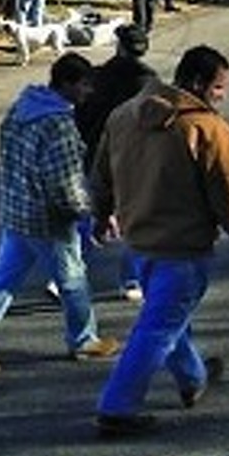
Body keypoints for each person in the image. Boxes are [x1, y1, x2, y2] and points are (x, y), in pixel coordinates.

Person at [90, 44, 229, 436]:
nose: (223, 95)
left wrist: (102, 215)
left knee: (166, 318)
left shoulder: (124, 116)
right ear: (199, 84)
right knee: (156, 330)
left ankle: (193, 378)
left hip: (139, 243)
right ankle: (116, 408)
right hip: (183, 248)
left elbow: (101, 173)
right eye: (219, 88)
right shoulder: (208, 129)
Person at [0, 52, 123, 376]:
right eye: (85, 87)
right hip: (49, 221)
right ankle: (84, 339)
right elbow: (64, 183)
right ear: (68, 84)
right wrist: (91, 213)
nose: (88, 94)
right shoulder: (58, 124)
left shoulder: (20, 109)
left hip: (16, 211)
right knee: (73, 281)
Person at [75, 24, 158, 303]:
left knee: (92, 215)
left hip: (95, 154)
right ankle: (131, 279)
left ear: (119, 46)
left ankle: (67, 273)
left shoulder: (97, 77)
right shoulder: (149, 82)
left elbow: (81, 115)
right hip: (132, 158)